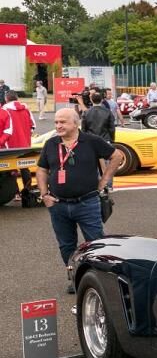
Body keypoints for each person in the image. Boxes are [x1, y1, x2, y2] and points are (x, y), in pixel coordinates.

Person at [36, 109, 124, 293]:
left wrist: (104, 180)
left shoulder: (91, 141)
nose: (58, 126)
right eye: (56, 122)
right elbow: (42, 169)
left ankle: (100, 279)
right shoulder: (51, 144)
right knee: (66, 245)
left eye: (63, 122)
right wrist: (44, 194)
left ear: (75, 124)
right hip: (58, 205)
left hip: (87, 203)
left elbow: (117, 156)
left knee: (96, 242)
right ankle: (75, 278)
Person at [3, 91, 36, 198]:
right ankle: (27, 192)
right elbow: (32, 126)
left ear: (6, 99)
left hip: (9, 144)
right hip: (25, 144)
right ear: (17, 98)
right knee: (24, 166)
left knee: (10, 168)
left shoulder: (4, 110)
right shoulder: (26, 108)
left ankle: (15, 193)